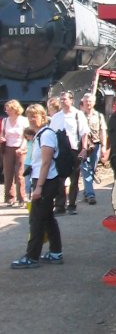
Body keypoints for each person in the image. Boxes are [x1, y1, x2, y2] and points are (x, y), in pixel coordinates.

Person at [11, 104, 63, 268]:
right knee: (47, 218)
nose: (32, 119)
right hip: (44, 180)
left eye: (35, 116)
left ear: (43, 116)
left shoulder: (46, 135)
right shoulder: (40, 134)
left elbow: (46, 162)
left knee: (37, 220)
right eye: (30, 116)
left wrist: (39, 187)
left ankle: (32, 257)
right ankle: (55, 253)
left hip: (46, 181)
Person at [49, 90, 89, 215]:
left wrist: (84, 149)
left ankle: (72, 205)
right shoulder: (56, 117)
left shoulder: (78, 115)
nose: (62, 101)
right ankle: (60, 205)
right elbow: (51, 133)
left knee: (74, 179)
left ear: (71, 100)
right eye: (61, 99)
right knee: (59, 179)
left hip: (73, 150)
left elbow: (84, 133)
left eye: (65, 99)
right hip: (60, 151)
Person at [79, 92, 107, 205]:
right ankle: (91, 195)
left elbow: (102, 131)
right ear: (83, 103)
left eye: (90, 101)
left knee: (92, 169)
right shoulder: (79, 116)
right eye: (86, 101)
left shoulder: (99, 116)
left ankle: (86, 191)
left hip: (95, 145)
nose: (88, 103)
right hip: (83, 147)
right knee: (86, 170)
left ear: (94, 102)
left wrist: (104, 146)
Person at [0, 99, 29, 207]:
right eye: (6, 109)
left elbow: (26, 137)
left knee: (19, 174)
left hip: (20, 148)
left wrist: (22, 148)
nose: (6, 111)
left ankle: (21, 198)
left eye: (9, 109)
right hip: (8, 148)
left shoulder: (23, 120)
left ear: (15, 109)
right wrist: (2, 138)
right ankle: (9, 198)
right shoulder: (5, 120)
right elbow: (3, 134)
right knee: (8, 173)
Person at [22, 125, 37, 197]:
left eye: (28, 136)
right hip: (27, 163)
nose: (27, 138)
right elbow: (27, 150)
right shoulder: (28, 142)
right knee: (27, 182)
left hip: (34, 163)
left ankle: (34, 196)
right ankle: (28, 197)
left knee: (34, 181)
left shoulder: (36, 141)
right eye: (26, 136)